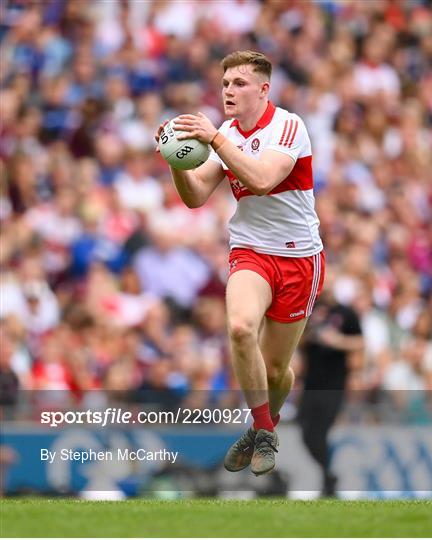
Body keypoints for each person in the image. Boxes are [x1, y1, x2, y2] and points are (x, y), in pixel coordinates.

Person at [155, 50, 325, 476]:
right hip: (250, 249)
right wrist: (175, 160)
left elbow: (263, 180)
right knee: (240, 327)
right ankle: (266, 430)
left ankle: (258, 427)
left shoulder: (288, 126)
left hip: (298, 256)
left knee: (276, 369)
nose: (229, 91)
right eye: (226, 84)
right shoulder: (227, 132)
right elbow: (195, 197)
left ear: (264, 89)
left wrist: (215, 140)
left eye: (240, 84)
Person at [297, 281, 364, 496]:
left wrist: (337, 341)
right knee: (306, 433)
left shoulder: (346, 313)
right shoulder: (308, 310)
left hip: (334, 383)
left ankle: (328, 479)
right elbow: (297, 340)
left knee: (320, 432)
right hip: (311, 382)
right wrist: (310, 337)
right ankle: (328, 475)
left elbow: (360, 342)